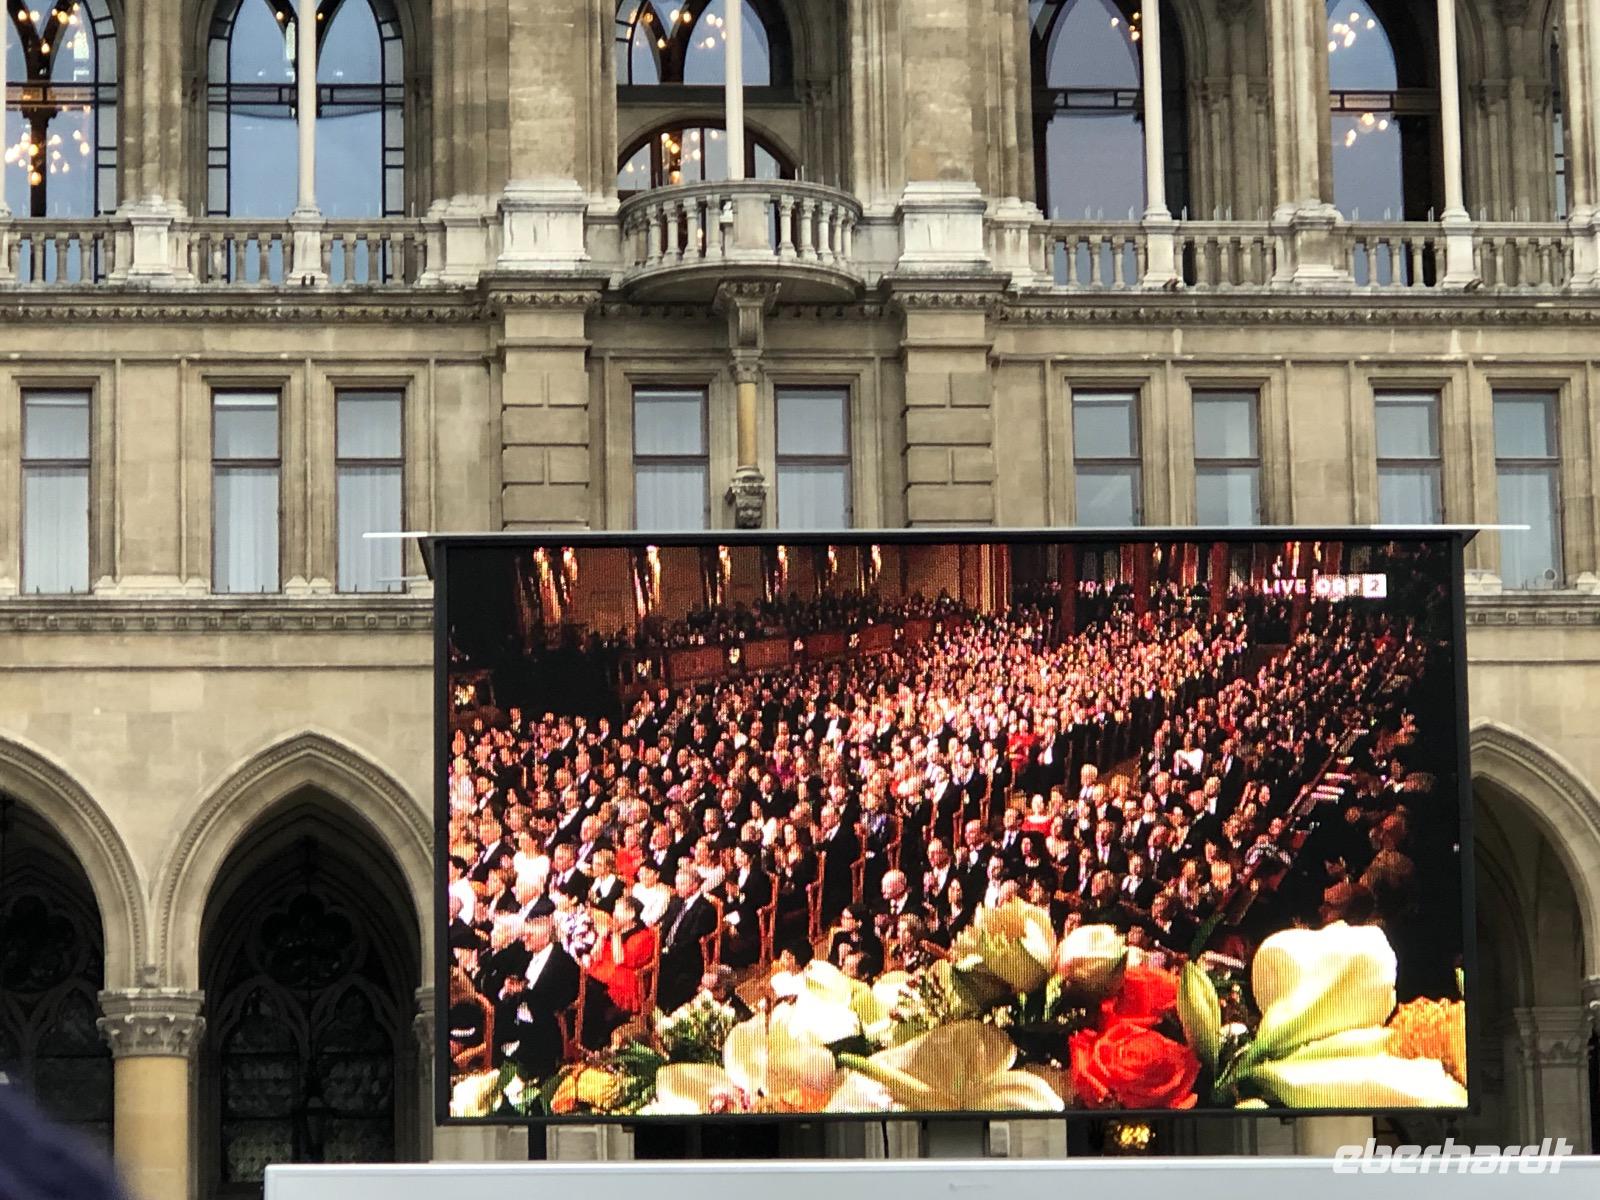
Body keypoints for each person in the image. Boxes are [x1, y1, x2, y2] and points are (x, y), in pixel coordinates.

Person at [582, 897, 658, 1050]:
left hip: (626, 979)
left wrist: (616, 934)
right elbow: (596, 954)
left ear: (631, 914)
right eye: (615, 910)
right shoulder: (616, 927)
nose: (615, 914)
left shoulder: (644, 936)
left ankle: (595, 1042)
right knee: (584, 985)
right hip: (605, 972)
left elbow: (620, 960)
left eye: (619, 911)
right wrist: (602, 936)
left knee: (593, 994)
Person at [656, 869, 717, 1012]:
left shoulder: (704, 909)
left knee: (662, 968)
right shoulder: (675, 901)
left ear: (695, 885)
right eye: (677, 884)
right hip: (667, 949)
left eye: (682, 884)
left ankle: (667, 1008)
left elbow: (692, 940)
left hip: (689, 956)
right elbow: (665, 925)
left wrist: (667, 951)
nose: (678, 888)